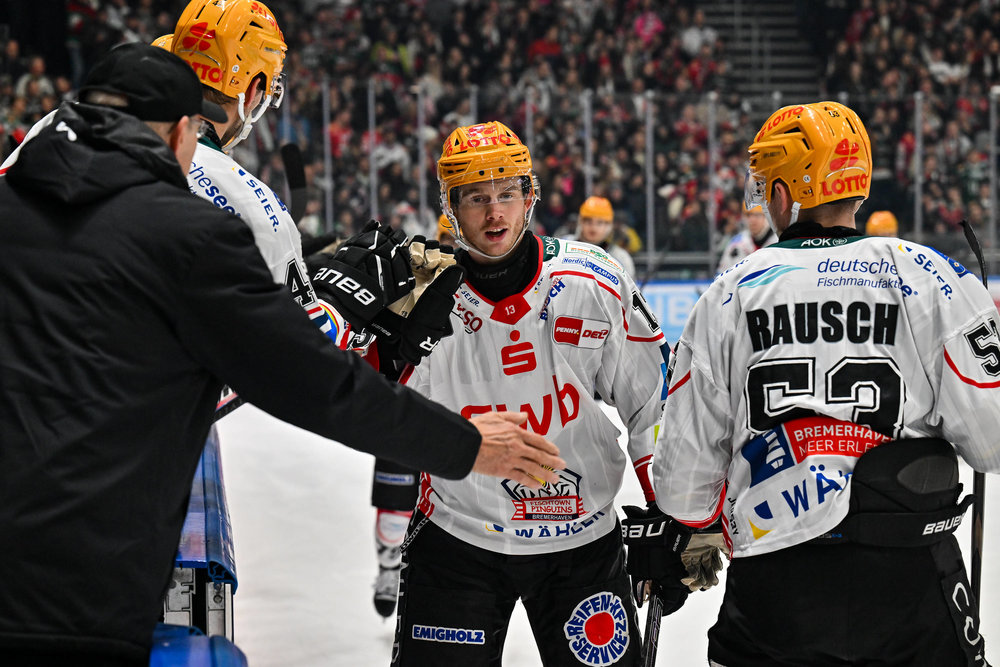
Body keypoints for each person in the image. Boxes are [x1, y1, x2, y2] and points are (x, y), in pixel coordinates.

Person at [0, 44, 564, 666]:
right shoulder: (186, 236)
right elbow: (317, 384)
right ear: (184, 133)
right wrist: (466, 444)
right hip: (84, 594)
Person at [645, 101, 998, 666]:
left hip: (778, 589)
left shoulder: (729, 293)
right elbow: (993, 440)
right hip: (908, 578)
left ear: (784, 195)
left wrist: (696, 525)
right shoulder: (928, 275)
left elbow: (683, 483)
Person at [390, 121, 668, 665]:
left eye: (507, 194)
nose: (495, 214)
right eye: (476, 198)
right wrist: (345, 323)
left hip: (582, 541)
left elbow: (653, 400)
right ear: (450, 207)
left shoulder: (592, 283)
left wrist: (674, 516)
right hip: (459, 537)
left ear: (529, 197)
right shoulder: (417, 298)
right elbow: (374, 407)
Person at [573, 195, 636, 276]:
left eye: (599, 223)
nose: (593, 227)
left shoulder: (620, 257)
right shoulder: (564, 248)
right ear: (580, 222)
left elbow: (628, 287)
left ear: (609, 225)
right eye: (588, 221)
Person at [715, 202, 777, 273]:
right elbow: (722, 274)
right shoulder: (736, 243)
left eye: (757, 215)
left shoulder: (779, 242)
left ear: (768, 217)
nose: (752, 220)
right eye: (748, 215)